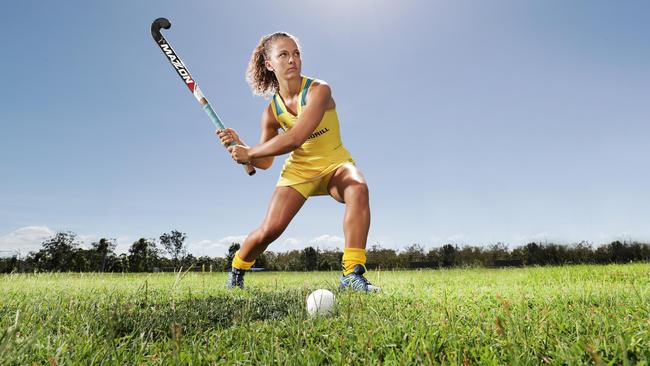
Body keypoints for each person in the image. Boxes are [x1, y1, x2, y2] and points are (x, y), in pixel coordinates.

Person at [217, 32, 379, 292]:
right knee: (269, 231)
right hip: (299, 172)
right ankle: (237, 268)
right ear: (269, 64)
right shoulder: (272, 112)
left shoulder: (319, 90)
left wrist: (250, 153)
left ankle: (352, 273)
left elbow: (295, 138)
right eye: (283, 54)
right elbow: (266, 161)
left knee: (357, 187)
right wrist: (244, 148)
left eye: (296, 53)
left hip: (334, 164)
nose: (292, 59)